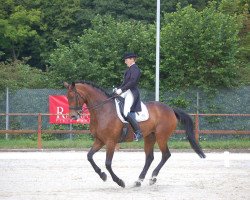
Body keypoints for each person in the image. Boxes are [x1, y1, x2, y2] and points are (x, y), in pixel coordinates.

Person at [115, 52, 143, 141]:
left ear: (132, 59)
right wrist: (117, 90)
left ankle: (138, 132)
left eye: (126, 60)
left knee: (126, 112)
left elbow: (132, 82)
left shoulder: (135, 69)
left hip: (131, 92)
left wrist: (121, 90)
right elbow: (124, 83)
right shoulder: (129, 69)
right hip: (126, 91)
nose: (125, 62)